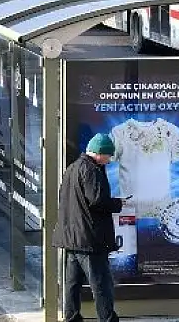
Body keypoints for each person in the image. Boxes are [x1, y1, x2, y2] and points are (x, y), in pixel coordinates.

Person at [52, 133, 125, 322]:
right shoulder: (92, 170)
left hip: (71, 238)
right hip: (89, 239)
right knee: (101, 284)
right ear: (100, 153)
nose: (109, 160)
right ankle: (107, 319)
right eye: (108, 156)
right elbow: (97, 201)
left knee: (72, 284)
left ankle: (72, 317)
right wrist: (118, 203)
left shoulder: (72, 168)